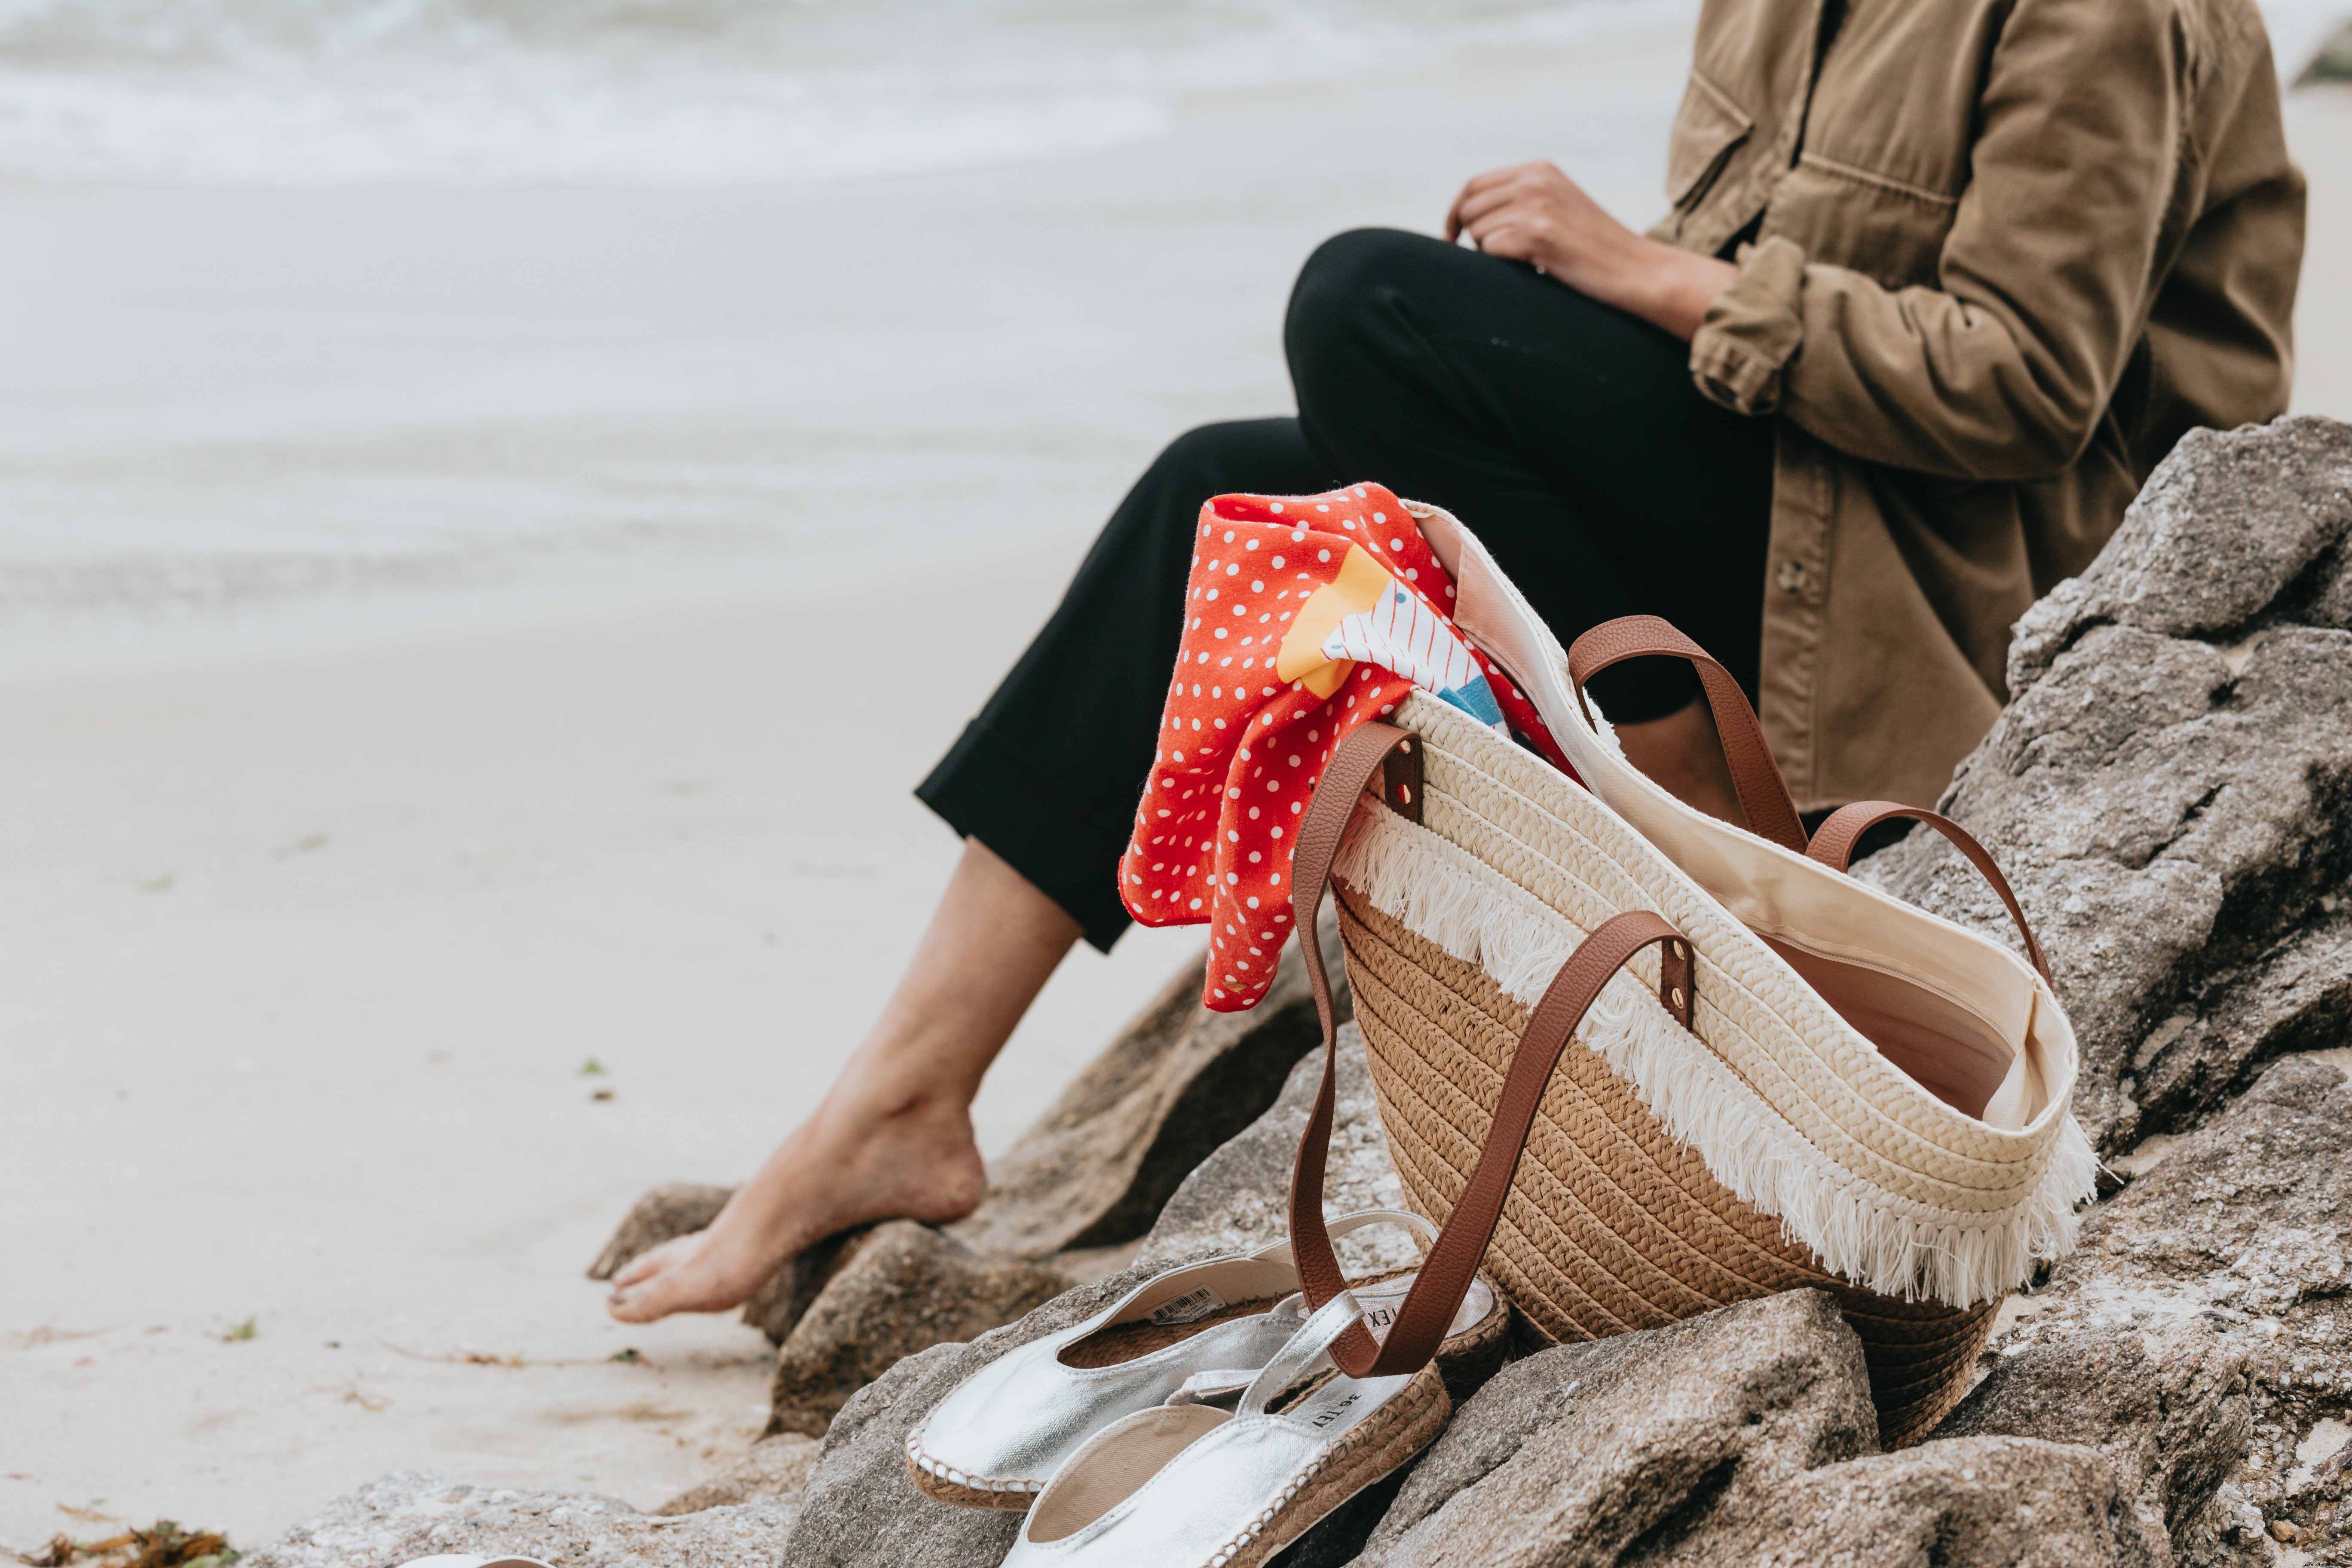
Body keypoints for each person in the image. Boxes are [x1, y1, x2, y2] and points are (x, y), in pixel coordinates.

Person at [606, 0, 2303, 1323]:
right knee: (1223, 491)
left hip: (1948, 577)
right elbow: (1734, 353)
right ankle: (905, 1104)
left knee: (1366, 304)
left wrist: (1645, 274)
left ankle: (1696, 811)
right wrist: (1620, 320)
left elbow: (2024, 384)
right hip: (1790, 506)